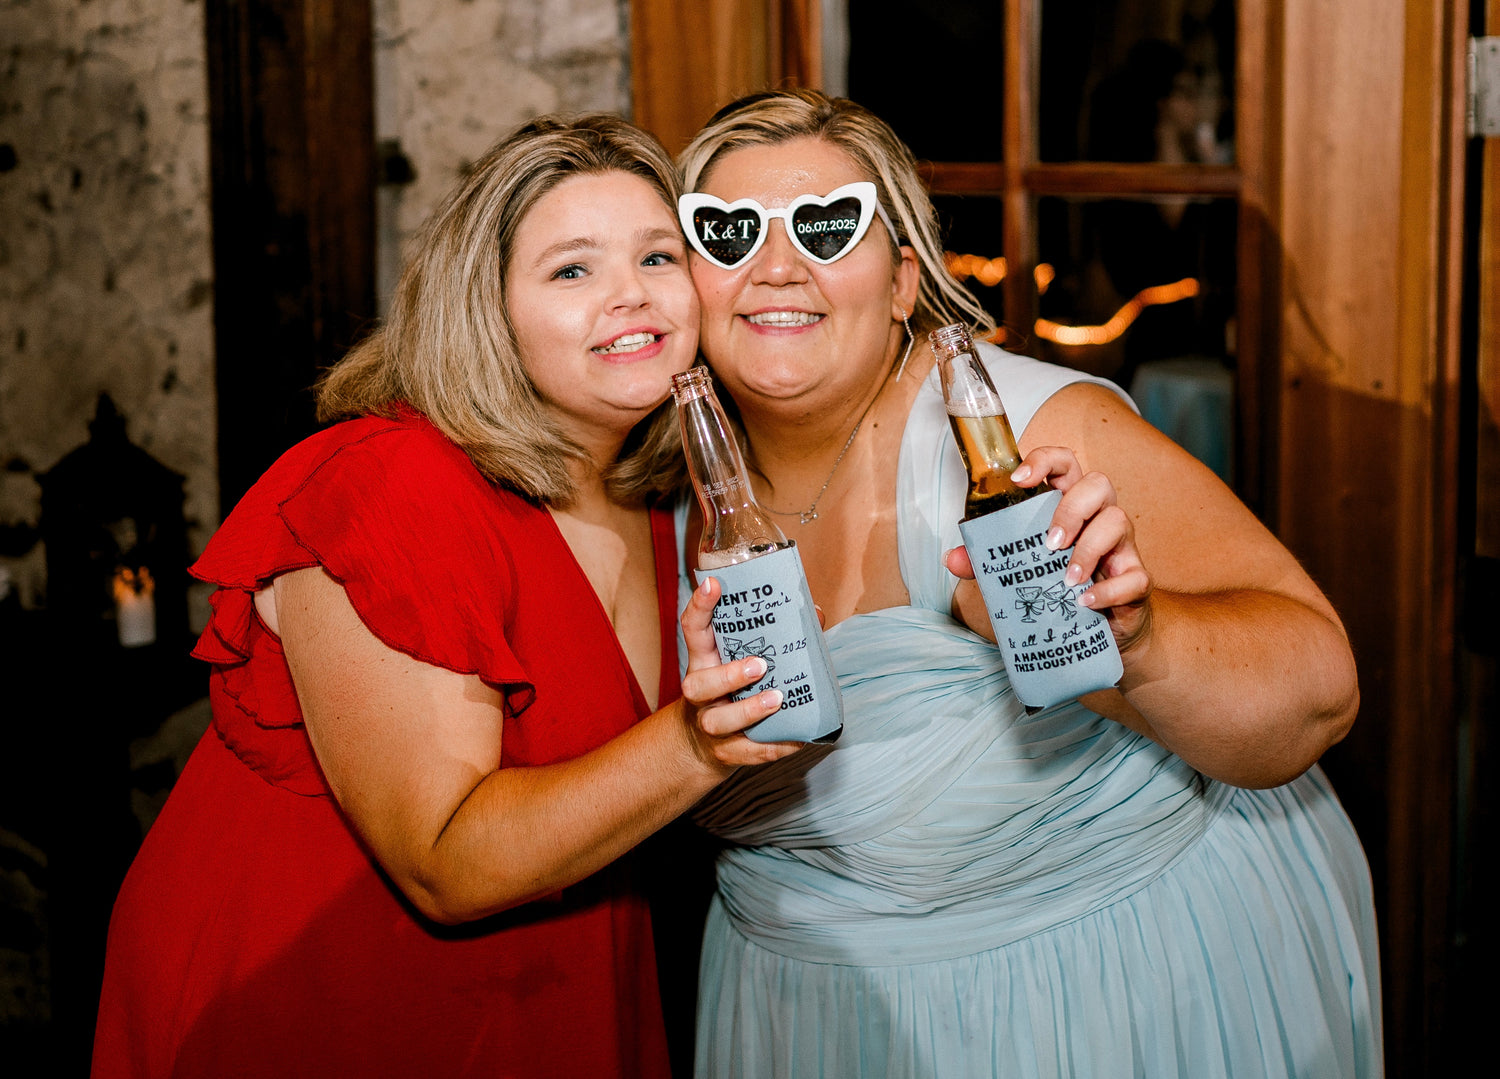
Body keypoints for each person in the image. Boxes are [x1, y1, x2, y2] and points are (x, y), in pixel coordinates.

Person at [673, 88, 1381, 1078]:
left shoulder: (1027, 437)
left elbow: (1318, 690)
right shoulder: (656, 488)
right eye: (731, 232)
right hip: (802, 1018)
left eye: (828, 229)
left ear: (904, 282)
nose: (779, 266)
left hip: (1109, 999)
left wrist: (1133, 633)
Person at [90, 114, 800, 1079]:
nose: (630, 293)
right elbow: (442, 858)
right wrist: (694, 743)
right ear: (487, 311)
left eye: (657, 256)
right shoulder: (391, 485)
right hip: (319, 1001)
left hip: (547, 976)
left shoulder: (661, 500)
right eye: (572, 269)